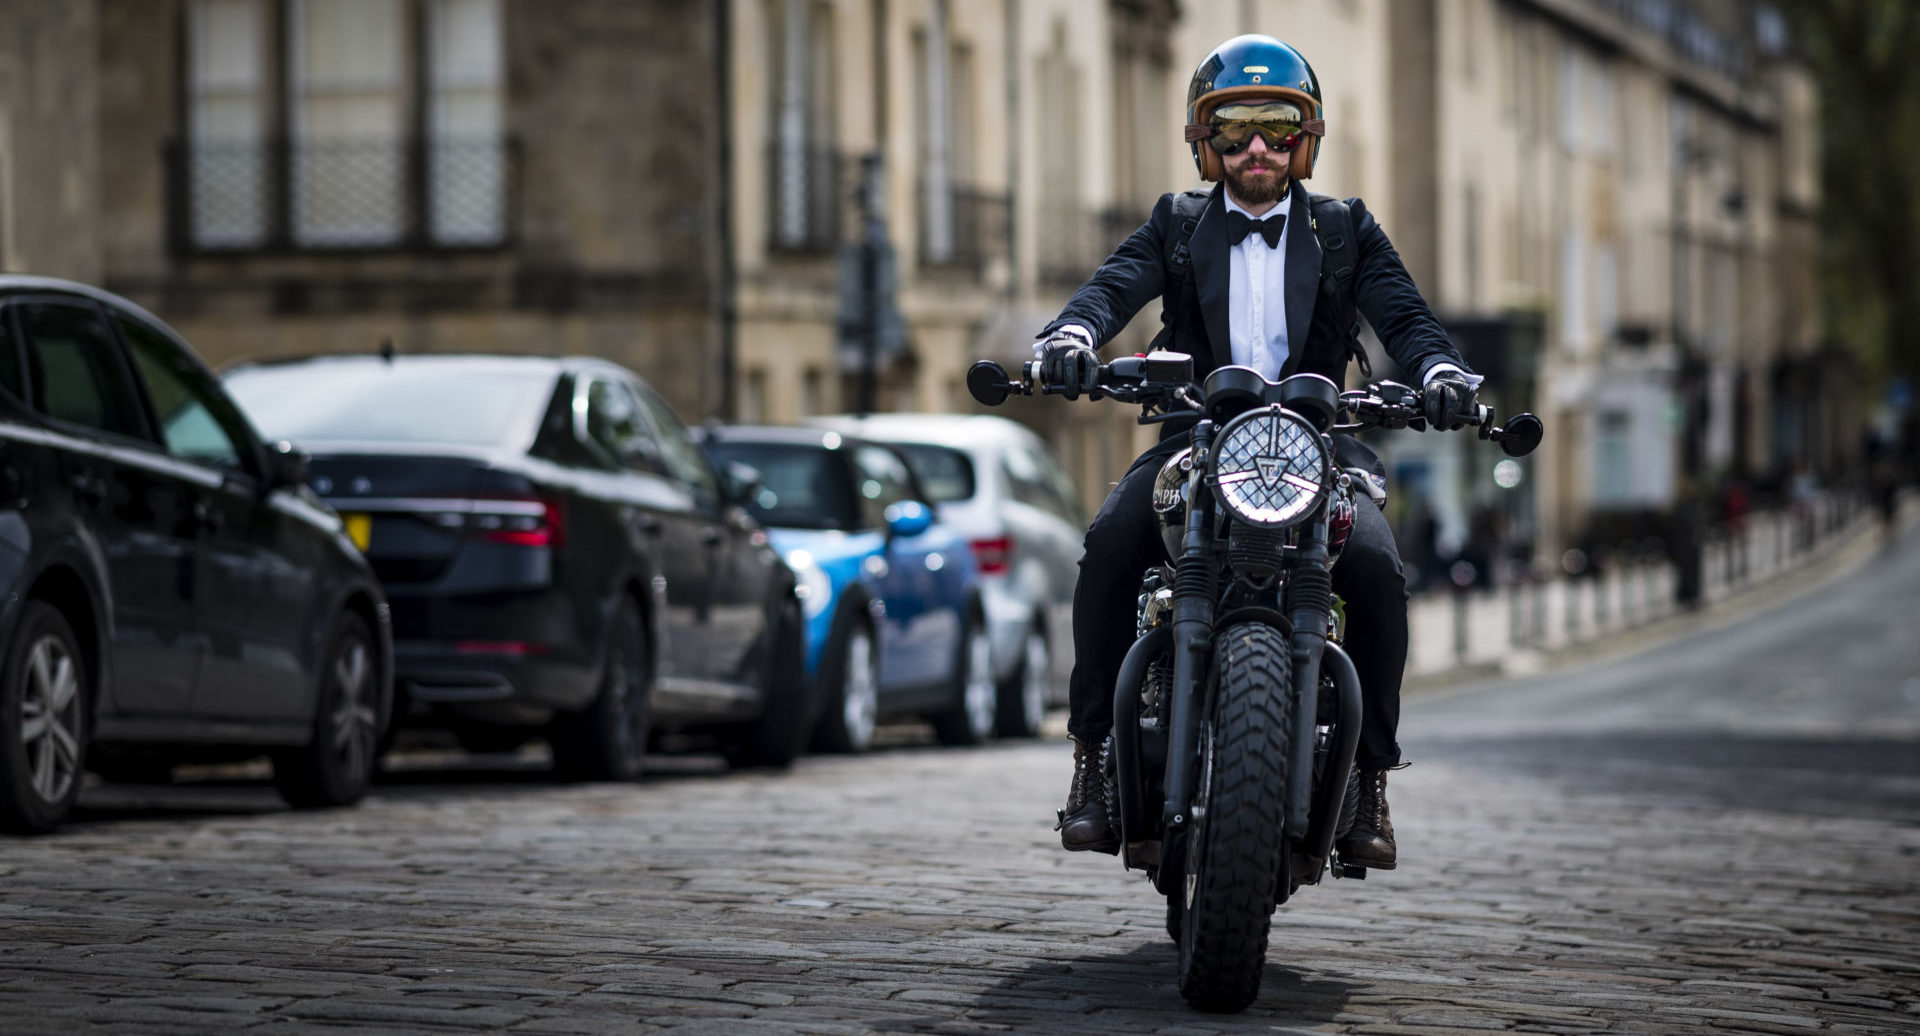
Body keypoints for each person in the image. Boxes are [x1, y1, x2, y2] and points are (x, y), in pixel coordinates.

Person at [1039, 34, 1485, 871]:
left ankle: (1370, 781)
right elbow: (1112, 287)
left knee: (1382, 576)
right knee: (1105, 546)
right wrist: (1071, 333)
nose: (1255, 147)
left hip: (1321, 449)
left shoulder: (1346, 231)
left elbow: (1407, 319)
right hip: (1198, 443)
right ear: (1206, 142)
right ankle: (1093, 762)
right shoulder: (1175, 225)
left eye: (1276, 128)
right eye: (1235, 127)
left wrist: (1441, 371)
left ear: (1305, 140)